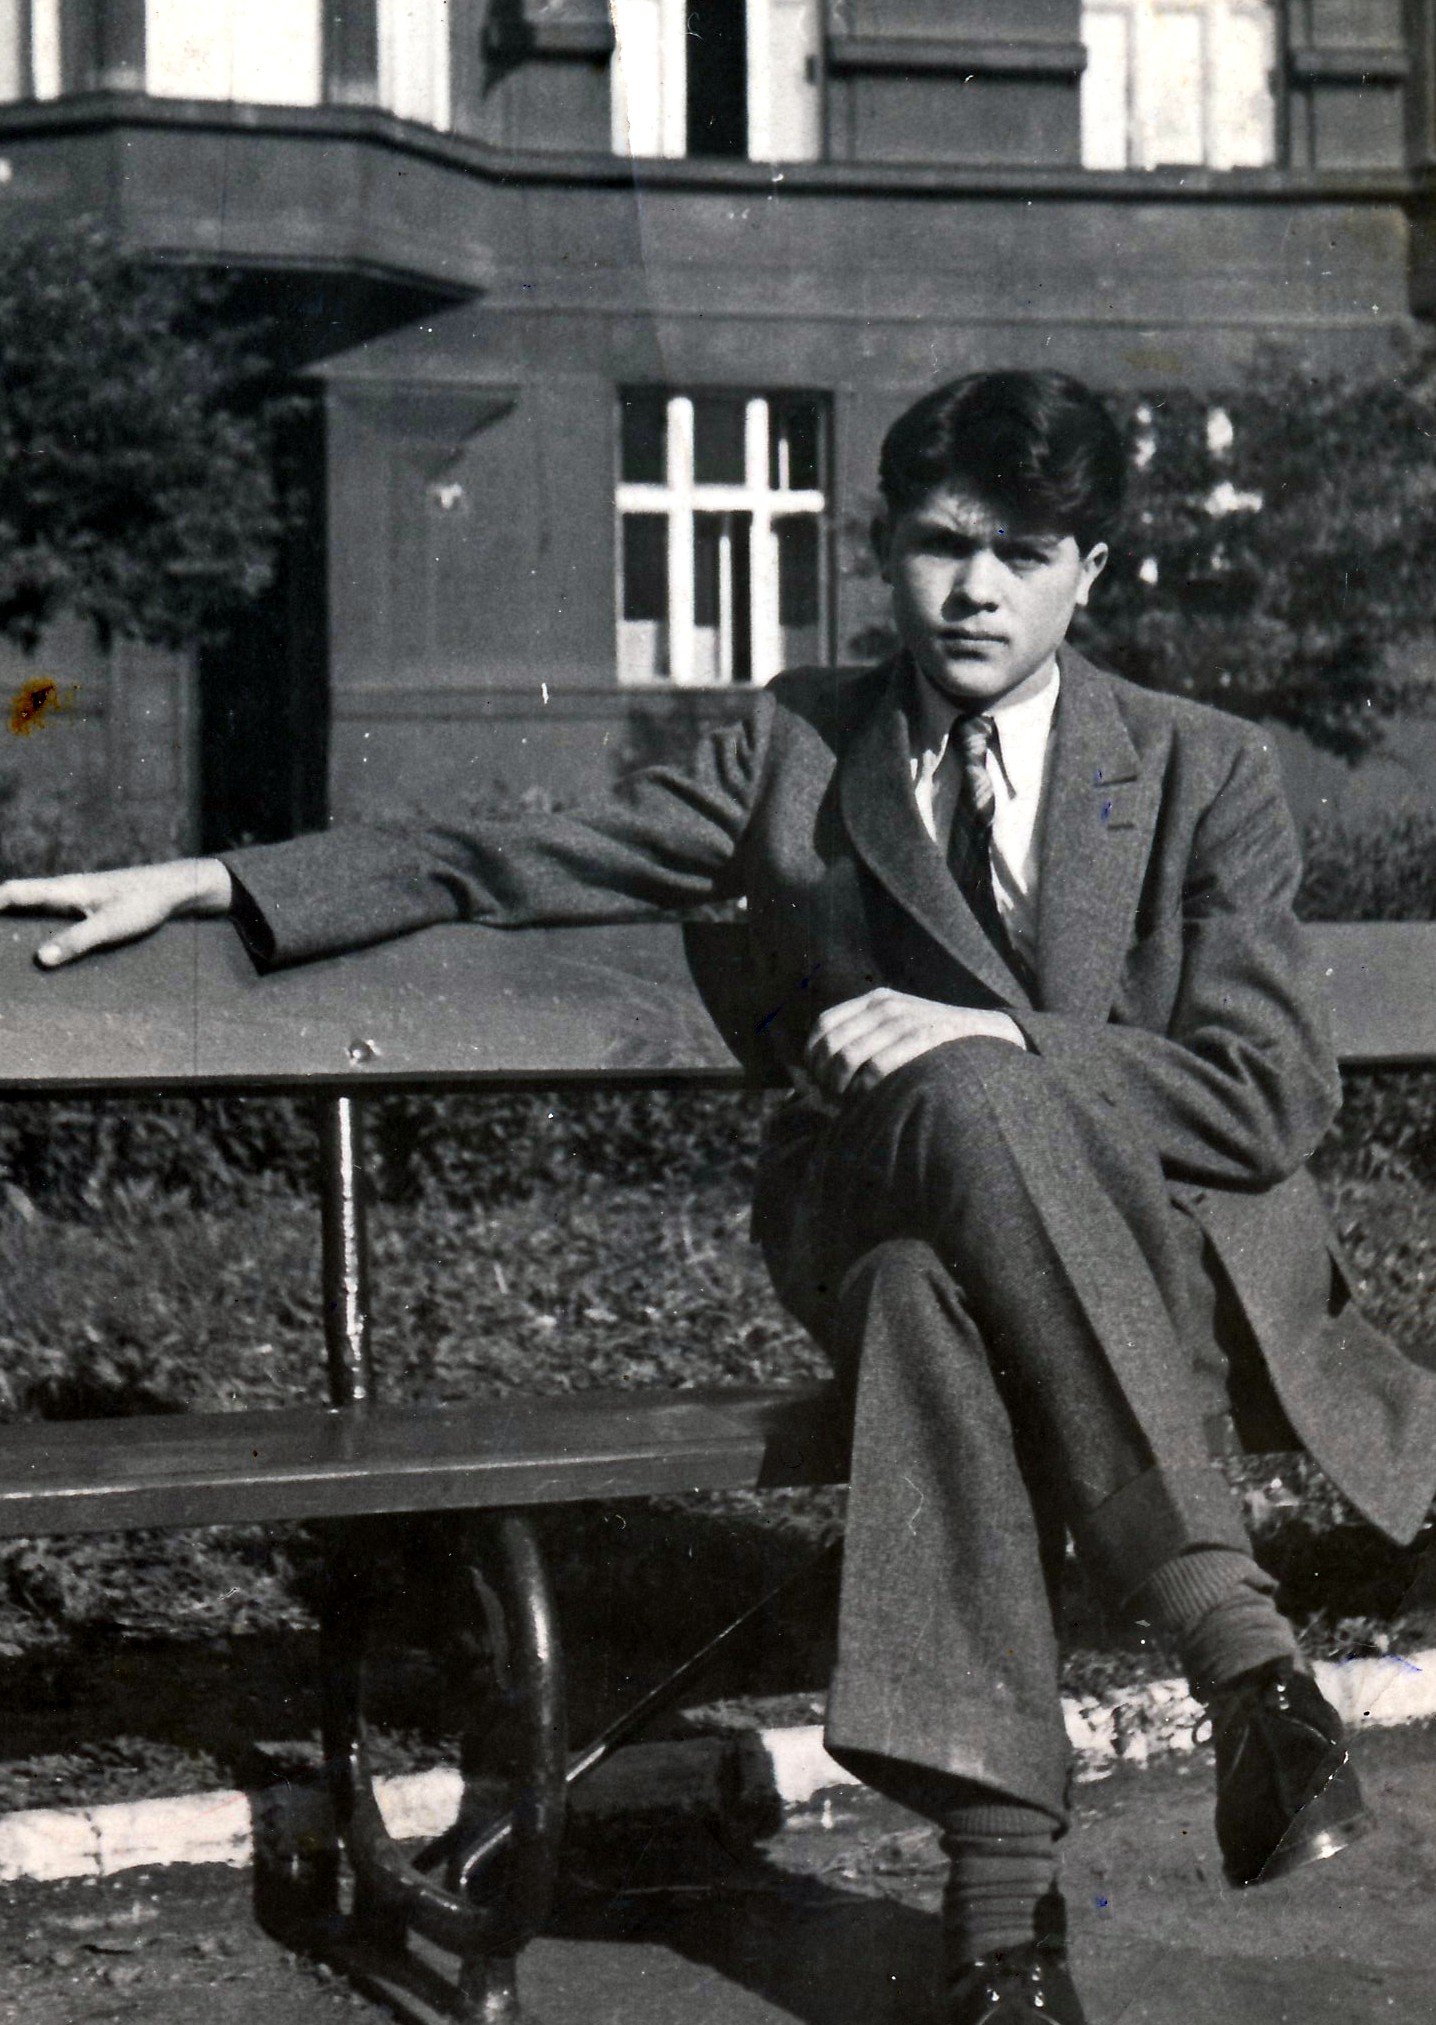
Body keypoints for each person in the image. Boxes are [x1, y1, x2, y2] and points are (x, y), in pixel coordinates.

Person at [3, 370, 1428, 2025]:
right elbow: (508, 859)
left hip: (1140, 1260)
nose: (975, 590)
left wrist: (1005, 1034)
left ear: (1090, 571)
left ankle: (1003, 1935)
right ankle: (1243, 1658)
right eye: (940, 544)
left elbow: (1269, 1092)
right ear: (880, 549)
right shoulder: (800, 743)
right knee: (951, 1133)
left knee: (933, 1299)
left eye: (1024, 554)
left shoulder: (1200, 769)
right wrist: (222, 878)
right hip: (867, 1181)